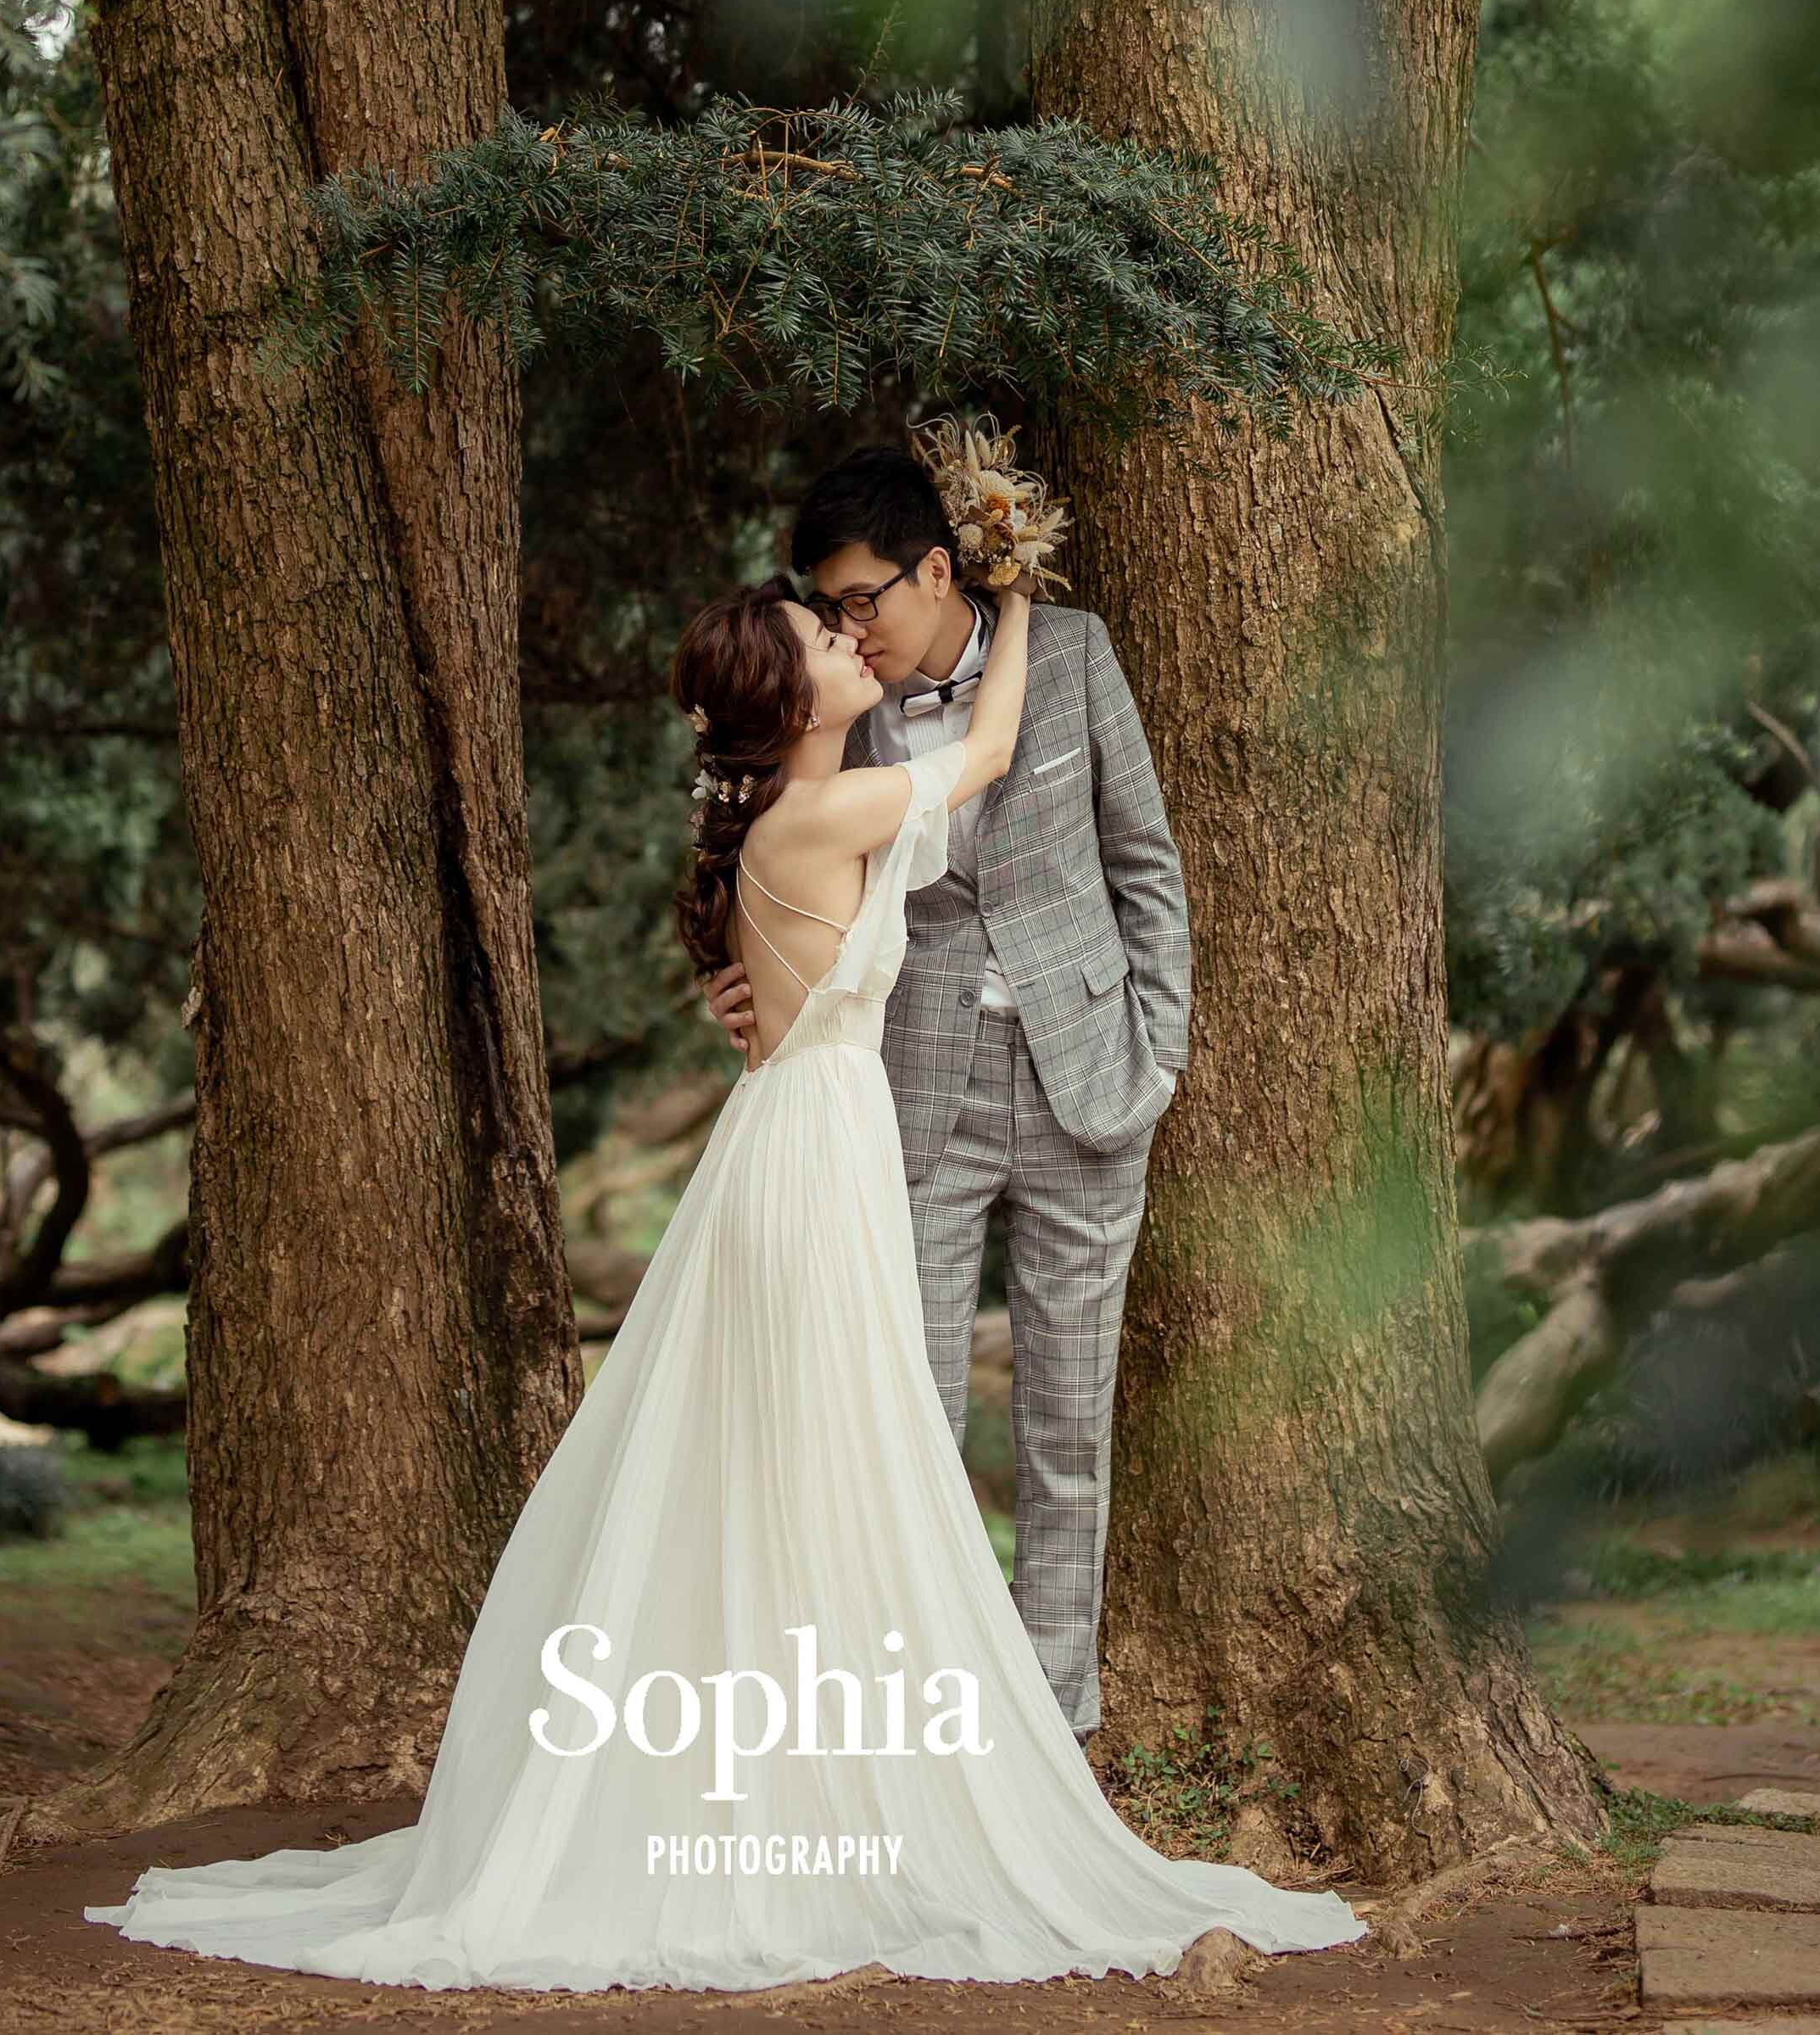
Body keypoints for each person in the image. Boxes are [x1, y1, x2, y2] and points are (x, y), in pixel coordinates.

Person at [82, 567, 1366, 1993]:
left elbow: (916, 873)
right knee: (830, 1465)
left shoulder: (807, 814)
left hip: (810, 1142)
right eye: (828, 637)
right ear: (791, 697)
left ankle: (804, 1774)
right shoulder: (819, 811)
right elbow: (989, 755)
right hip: (814, 1157)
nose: (852, 638)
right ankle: (810, 1797)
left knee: (798, 1465)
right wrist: (1014, 596)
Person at [701, 445, 1186, 1747]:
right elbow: (771, 862)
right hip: (905, 1096)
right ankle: (924, 1732)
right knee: (904, 1418)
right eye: (832, 605)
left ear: (935, 567)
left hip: (1090, 1078)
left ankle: (1053, 1728)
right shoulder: (835, 705)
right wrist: (748, 981)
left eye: (865, 596)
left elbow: (1144, 859)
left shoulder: (1073, 652)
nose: (849, 626)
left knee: (1068, 1431)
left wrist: (1161, 1046)